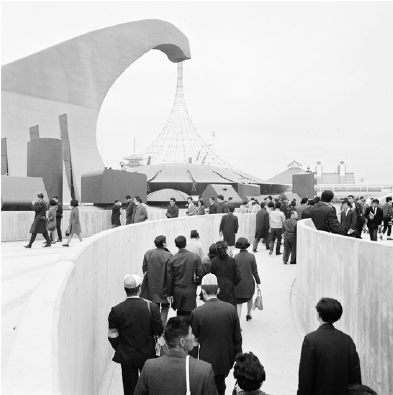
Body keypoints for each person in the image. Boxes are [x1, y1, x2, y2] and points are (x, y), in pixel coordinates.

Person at [108, 274, 164, 395]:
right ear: (139, 288)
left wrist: (121, 348)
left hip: (127, 356)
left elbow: (112, 336)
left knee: (129, 390)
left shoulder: (116, 310)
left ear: (125, 289)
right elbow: (159, 330)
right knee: (149, 389)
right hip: (148, 355)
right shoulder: (152, 307)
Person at [134, 316, 218, 395]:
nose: (193, 336)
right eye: (191, 333)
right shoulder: (204, 370)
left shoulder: (149, 367)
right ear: (182, 342)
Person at [191, 274, 242, 395]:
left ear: (203, 291)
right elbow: (237, 338)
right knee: (220, 386)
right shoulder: (231, 309)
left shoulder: (197, 313)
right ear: (218, 290)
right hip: (226, 360)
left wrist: (192, 362)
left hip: (206, 361)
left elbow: (194, 341)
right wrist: (239, 360)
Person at [297, 298, 361, 395]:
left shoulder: (311, 340)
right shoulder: (347, 340)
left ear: (319, 315)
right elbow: (356, 376)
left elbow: (305, 378)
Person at [167, 236, 203, 316]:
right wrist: (197, 283)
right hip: (191, 289)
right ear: (186, 244)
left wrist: (170, 293)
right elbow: (200, 273)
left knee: (180, 314)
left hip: (178, 290)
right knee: (191, 314)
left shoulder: (172, 259)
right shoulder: (195, 257)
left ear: (176, 245)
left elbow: (169, 278)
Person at [141, 235, 173, 325]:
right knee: (165, 306)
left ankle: (153, 326)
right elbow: (171, 272)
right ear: (164, 243)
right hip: (164, 285)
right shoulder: (169, 255)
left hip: (151, 285)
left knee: (153, 306)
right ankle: (161, 327)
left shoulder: (148, 253)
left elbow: (144, 269)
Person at [234, 238, 261, 321]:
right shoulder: (251, 256)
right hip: (249, 282)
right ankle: (248, 314)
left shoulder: (236, 257)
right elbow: (255, 271)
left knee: (238, 304)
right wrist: (258, 281)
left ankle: (238, 322)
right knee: (250, 298)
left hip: (238, 284)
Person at [210, 241, 241, 307]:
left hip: (217, 291)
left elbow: (210, 276)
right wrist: (233, 283)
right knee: (230, 310)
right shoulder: (233, 261)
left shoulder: (213, 262)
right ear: (226, 249)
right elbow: (238, 276)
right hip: (229, 290)